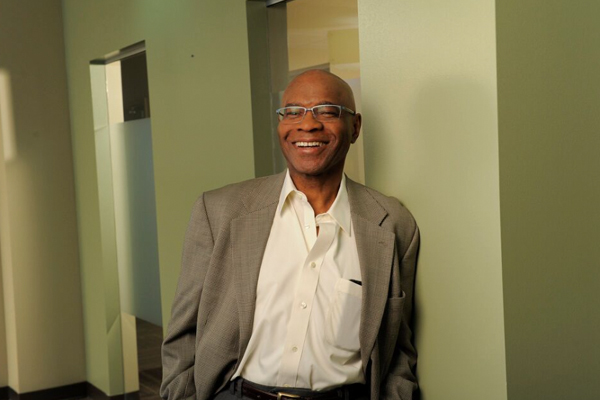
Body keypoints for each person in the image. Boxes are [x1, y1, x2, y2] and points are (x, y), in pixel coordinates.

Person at [160, 70, 419, 400]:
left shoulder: (393, 224)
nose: (307, 124)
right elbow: (184, 332)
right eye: (293, 112)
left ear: (355, 127)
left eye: (327, 111)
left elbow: (397, 349)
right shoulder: (219, 211)